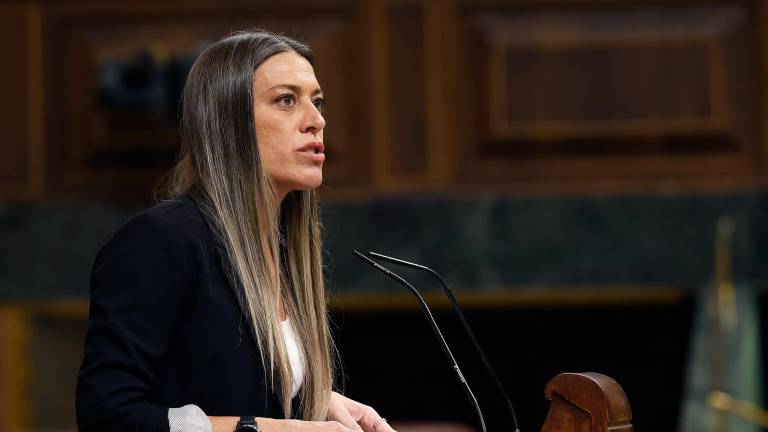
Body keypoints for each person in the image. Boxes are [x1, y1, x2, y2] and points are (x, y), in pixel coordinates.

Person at [76, 29, 396, 432]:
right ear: (230, 121)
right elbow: (108, 419)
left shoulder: (279, 249)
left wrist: (320, 402)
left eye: (317, 102)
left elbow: (233, 382)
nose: (317, 121)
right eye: (286, 100)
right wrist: (268, 429)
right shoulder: (159, 241)